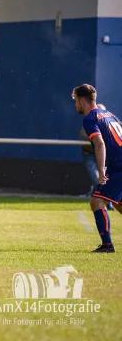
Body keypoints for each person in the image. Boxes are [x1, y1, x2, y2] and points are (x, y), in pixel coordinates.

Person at [72, 84, 122, 253]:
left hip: (118, 166)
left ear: (83, 100)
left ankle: (107, 245)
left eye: (76, 101)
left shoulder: (90, 118)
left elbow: (99, 143)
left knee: (97, 201)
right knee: (119, 204)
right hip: (119, 164)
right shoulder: (110, 115)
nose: (75, 105)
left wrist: (101, 170)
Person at [79, 103, 115, 211]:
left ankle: (106, 203)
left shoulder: (109, 123)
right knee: (97, 179)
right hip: (89, 155)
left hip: (105, 156)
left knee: (105, 180)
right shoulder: (89, 122)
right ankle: (99, 202)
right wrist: (97, 139)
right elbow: (83, 138)